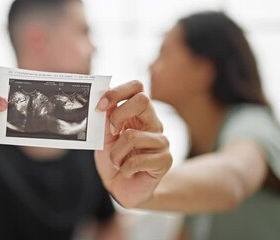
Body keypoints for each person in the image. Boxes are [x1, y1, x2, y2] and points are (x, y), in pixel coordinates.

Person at [0, 0, 172, 239]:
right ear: (38, 39)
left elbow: (107, 223)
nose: (93, 48)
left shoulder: (95, 142)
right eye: (83, 32)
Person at [96, 11, 280, 240]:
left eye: (164, 52)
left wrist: (147, 187)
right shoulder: (198, 153)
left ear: (202, 70)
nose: (151, 65)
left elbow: (233, 178)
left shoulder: (251, 122)